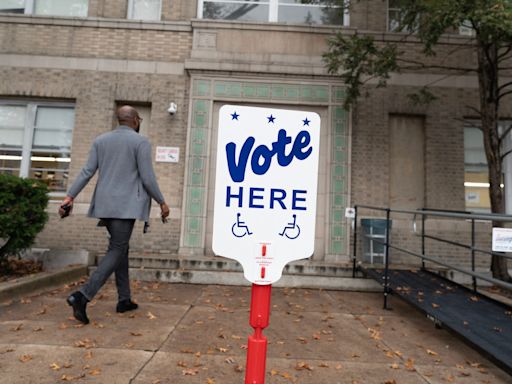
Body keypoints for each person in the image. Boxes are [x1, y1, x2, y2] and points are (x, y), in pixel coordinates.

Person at [59, 105, 170, 325]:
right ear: (136, 121)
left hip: (104, 205)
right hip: (125, 207)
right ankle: (82, 296)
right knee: (117, 248)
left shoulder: (101, 140)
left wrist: (69, 197)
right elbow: (147, 178)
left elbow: (87, 171)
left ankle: (124, 299)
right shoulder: (141, 142)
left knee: (121, 249)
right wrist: (162, 201)